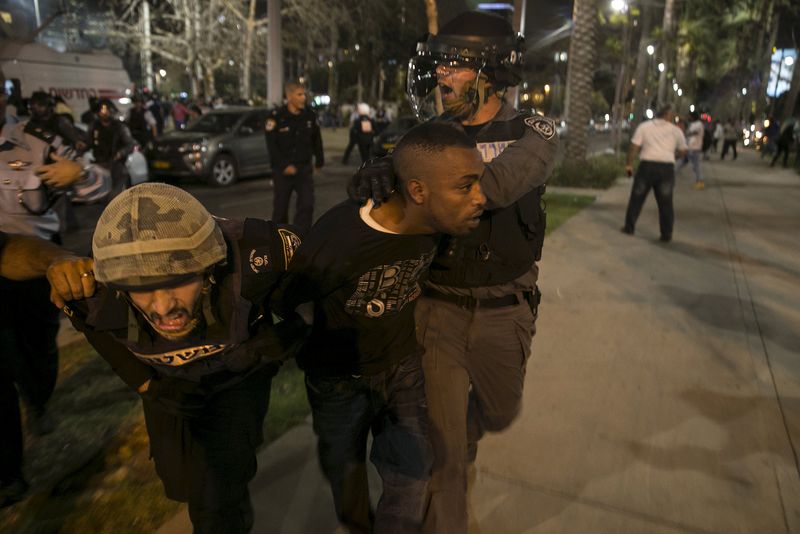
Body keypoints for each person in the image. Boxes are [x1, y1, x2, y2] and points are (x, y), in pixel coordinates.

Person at [352, 11, 559, 533]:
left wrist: (413, 176)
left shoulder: (531, 132)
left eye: (454, 64)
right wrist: (380, 176)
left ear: (490, 71)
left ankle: (468, 434)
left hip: (504, 310)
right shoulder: (427, 135)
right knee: (444, 459)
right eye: (438, 63)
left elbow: (489, 188)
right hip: (437, 306)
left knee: (501, 411)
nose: (441, 74)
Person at [50, 183, 309, 533]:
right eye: (141, 288)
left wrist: (275, 345)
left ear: (208, 268)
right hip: (170, 388)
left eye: (177, 280)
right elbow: (90, 325)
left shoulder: (257, 254)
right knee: (179, 481)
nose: (163, 307)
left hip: (239, 383)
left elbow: (327, 287)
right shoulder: (96, 293)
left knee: (221, 491)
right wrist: (145, 383)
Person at [273, 122, 487, 534]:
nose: (481, 198)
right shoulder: (339, 239)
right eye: (466, 186)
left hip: (403, 368)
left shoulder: (438, 229)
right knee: (346, 474)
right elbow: (289, 301)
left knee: (411, 470)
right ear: (419, 192)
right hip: (338, 382)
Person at [0, 86, 110, 508]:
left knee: (40, 348)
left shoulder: (34, 144)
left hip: (39, 266)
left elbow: (102, 184)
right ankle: (9, 474)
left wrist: (79, 174)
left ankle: (39, 398)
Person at [265, 81, 325, 234]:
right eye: (299, 94)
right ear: (289, 96)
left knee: (307, 205)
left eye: (304, 94)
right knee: (280, 209)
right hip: (282, 171)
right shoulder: (276, 117)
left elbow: (316, 140)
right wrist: (284, 165)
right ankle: (279, 241)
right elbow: (272, 146)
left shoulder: (309, 116)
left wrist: (319, 161)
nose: (303, 98)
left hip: (304, 169)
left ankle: (300, 238)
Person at [622, 104, 687, 242]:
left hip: (647, 165)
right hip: (666, 168)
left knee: (637, 198)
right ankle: (666, 233)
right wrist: (672, 156)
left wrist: (629, 165)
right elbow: (683, 151)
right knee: (665, 202)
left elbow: (634, 147)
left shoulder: (645, 127)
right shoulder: (676, 131)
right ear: (668, 115)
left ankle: (629, 227)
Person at [89, 98, 135, 197]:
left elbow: (130, 145)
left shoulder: (120, 127)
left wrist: (120, 153)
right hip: (100, 166)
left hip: (116, 167)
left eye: (106, 109)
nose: (104, 112)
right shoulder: (94, 127)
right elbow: (88, 142)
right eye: (101, 110)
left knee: (117, 198)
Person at [680, 111, 705, 189]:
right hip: (689, 147)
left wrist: (686, 133)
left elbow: (694, 132)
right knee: (681, 162)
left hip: (694, 147)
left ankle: (700, 181)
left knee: (695, 166)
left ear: (693, 117)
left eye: (689, 116)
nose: (688, 118)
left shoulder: (698, 124)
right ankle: (669, 175)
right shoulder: (693, 124)